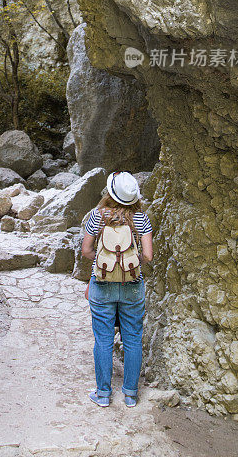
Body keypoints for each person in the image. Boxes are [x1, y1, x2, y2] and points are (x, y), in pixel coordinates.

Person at [81, 171, 153, 408]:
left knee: (103, 339)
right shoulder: (141, 218)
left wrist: (104, 267)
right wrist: (128, 265)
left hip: (102, 285)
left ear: (110, 193)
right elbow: (148, 256)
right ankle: (131, 394)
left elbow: (87, 250)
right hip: (132, 285)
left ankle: (103, 394)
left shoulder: (97, 216)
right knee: (132, 338)